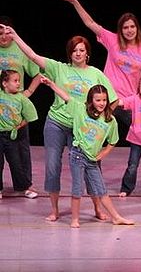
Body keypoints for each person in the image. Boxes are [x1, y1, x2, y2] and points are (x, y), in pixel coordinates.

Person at [60, 0, 141, 191]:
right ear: (120, 30)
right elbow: (90, 23)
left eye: (132, 27)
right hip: (107, 101)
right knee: (96, 137)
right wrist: (75, 2)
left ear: (136, 28)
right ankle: (95, 181)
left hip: (131, 102)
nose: (129, 30)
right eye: (125, 27)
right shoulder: (112, 40)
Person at [5, 26, 118, 222]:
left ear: (87, 53)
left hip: (81, 128)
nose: (78, 53)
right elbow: (32, 56)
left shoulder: (96, 74)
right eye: (75, 50)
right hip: (56, 123)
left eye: (82, 50)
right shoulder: (59, 68)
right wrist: (15, 36)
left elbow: (112, 99)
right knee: (52, 165)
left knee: (92, 165)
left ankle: (98, 209)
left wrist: (98, 121)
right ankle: (55, 210)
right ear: (70, 53)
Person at [40, 76, 134, 228]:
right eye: (98, 100)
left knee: (101, 189)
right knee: (77, 188)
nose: (102, 103)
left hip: (92, 160)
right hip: (77, 155)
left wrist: (103, 154)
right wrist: (51, 84)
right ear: (91, 101)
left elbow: (113, 141)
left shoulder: (110, 120)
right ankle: (75, 219)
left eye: (104, 100)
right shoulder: (80, 109)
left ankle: (116, 217)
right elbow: (65, 96)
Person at [0, 17, 41, 196]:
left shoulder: (20, 49)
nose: (3, 36)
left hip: (16, 106)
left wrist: (28, 93)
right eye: (0, 33)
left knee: (21, 148)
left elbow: (39, 73)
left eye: (6, 32)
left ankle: (25, 185)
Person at [0, 70, 38, 199]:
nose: (18, 84)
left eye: (19, 81)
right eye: (15, 81)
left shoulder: (21, 98)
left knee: (16, 162)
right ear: (5, 83)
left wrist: (19, 125)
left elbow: (30, 115)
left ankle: (23, 187)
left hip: (11, 136)